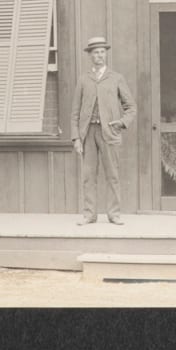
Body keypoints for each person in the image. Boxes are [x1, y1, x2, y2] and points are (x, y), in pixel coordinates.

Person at [69, 36, 136, 225]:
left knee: (112, 175)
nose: (99, 55)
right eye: (95, 52)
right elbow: (75, 112)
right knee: (88, 176)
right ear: (90, 55)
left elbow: (131, 107)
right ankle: (89, 215)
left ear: (106, 54)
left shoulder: (116, 78)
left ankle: (114, 214)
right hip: (88, 134)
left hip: (110, 133)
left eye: (102, 52)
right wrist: (76, 138)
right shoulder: (84, 80)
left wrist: (121, 122)